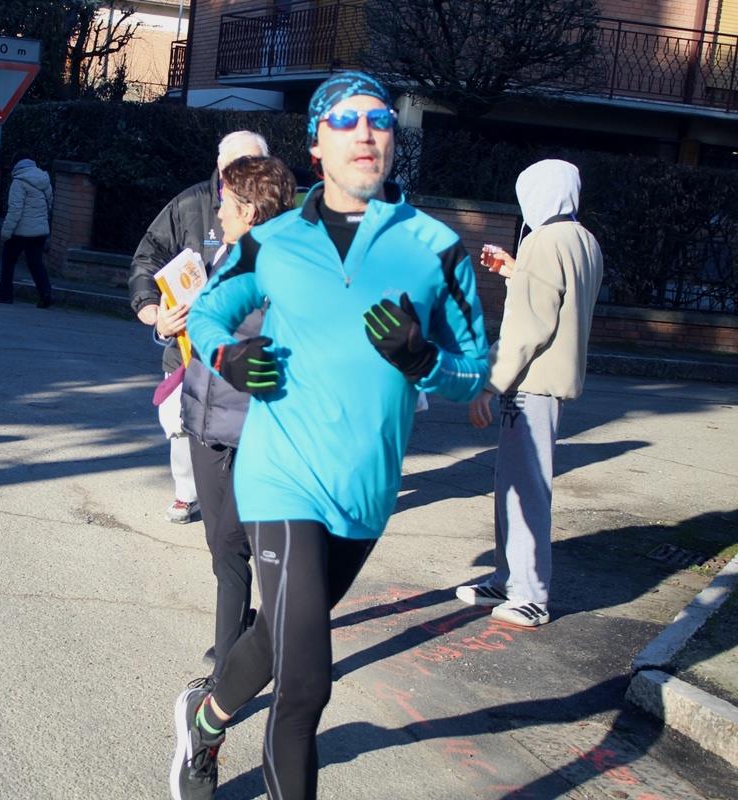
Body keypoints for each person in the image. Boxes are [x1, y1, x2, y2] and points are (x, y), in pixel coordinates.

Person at [170, 71, 489, 800]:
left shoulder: (436, 248)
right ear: (316, 145)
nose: (365, 132)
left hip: (365, 491)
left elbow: (474, 373)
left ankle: (204, 721)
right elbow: (210, 312)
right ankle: (213, 750)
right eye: (344, 120)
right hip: (281, 479)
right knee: (307, 685)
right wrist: (228, 356)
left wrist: (425, 360)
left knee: (275, 638)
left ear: (394, 139)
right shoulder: (274, 241)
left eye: (378, 119)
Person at [457, 159, 604, 628]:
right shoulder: (583, 240)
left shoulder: (543, 241)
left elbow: (528, 324)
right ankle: (509, 579)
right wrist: (514, 271)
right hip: (550, 380)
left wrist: (488, 382)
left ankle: (530, 594)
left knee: (524, 488)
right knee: (516, 483)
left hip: (531, 382)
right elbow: (556, 299)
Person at [180, 154, 297, 687]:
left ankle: (230, 671)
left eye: (226, 202)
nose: (218, 211)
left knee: (233, 547)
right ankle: (241, 634)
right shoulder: (228, 253)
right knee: (220, 547)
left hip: (254, 431)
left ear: (249, 210)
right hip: (205, 420)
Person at [130, 131, 269, 525]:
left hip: (248, 349)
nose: (240, 177)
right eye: (233, 169)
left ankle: (240, 501)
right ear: (219, 168)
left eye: (252, 167)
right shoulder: (191, 204)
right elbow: (147, 256)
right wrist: (153, 311)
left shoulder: (280, 213)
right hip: (188, 348)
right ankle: (187, 491)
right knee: (180, 421)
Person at [0, 152, 54, 307]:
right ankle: (45, 293)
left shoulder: (18, 182)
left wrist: (6, 232)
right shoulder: (45, 179)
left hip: (20, 232)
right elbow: (49, 204)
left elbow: (15, 210)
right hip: (40, 231)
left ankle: (5, 295)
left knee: (8, 262)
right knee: (36, 263)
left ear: (16, 165)